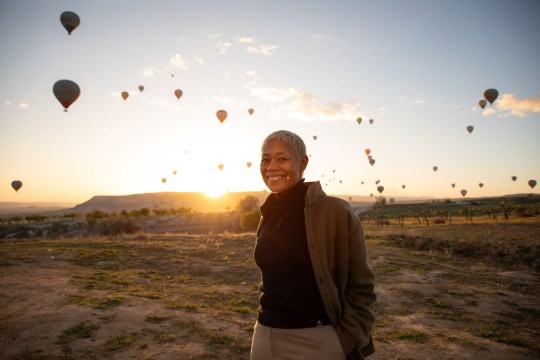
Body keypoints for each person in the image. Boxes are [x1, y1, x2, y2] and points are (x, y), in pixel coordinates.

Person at [250, 130, 376, 360]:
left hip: (317, 339)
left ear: (303, 162)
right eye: (265, 159)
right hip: (265, 335)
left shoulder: (335, 211)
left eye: (282, 158)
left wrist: (344, 341)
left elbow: (362, 285)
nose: (271, 166)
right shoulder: (268, 212)